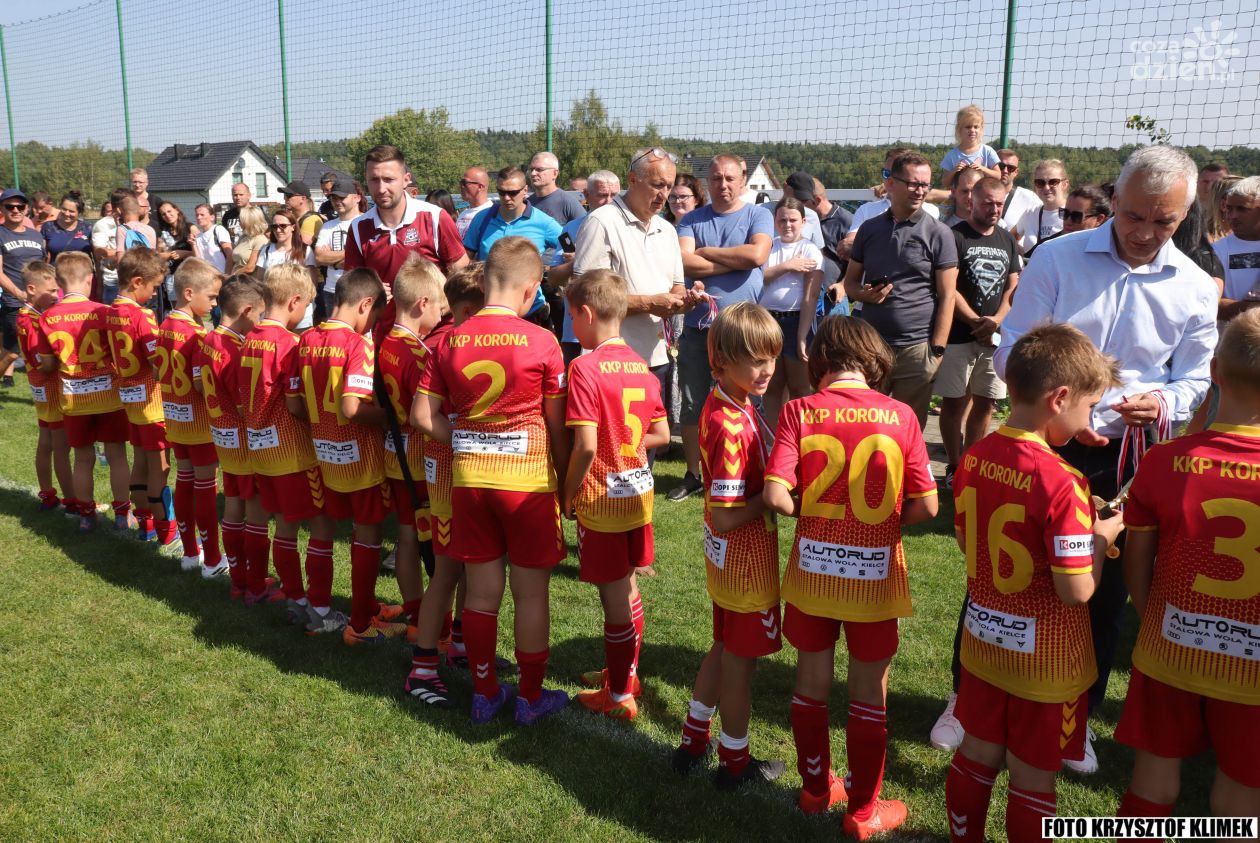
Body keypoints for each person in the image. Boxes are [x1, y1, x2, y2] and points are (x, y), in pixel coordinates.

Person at [990, 144, 1218, 774]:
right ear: (1114, 200)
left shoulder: (1195, 286)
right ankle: (971, 696)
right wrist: (1060, 404)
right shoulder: (1056, 257)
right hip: (1044, 443)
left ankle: (1077, 719)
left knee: (1104, 592)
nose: (1144, 232)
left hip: (1126, 456)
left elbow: (1196, 377)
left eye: (1163, 221)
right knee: (1004, 569)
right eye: (1134, 215)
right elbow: (1011, 349)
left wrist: (1163, 402)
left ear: (1186, 215)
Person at [945, 323, 1123, 843]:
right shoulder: (1065, 481)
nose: (1089, 421)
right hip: (1046, 660)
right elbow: (1076, 590)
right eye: (1089, 407)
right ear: (1059, 399)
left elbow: (967, 542)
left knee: (976, 753)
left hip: (984, 640)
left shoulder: (974, 455)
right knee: (1032, 773)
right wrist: (1099, 538)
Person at [763, 315, 938, 835]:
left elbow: (776, 495)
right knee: (868, 692)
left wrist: (812, 512)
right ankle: (863, 811)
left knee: (810, 681)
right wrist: (880, 522)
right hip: (875, 574)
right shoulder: (902, 415)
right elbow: (928, 506)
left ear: (820, 362)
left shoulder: (798, 410)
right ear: (874, 361)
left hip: (813, 570)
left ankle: (816, 789)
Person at [412, 236, 569, 726]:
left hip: (470, 482)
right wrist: (566, 484)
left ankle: (483, 693)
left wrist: (466, 439)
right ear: (531, 288)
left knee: (480, 594)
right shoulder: (542, 341)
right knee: (531, 594)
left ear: (484, 282)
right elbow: (557, 426)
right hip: (529, 485)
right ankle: (529, 697)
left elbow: (422, 416)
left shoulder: (449, 339)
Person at [1115, 308, 1260, 827]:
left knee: (1151, 781)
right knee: (1240, 797)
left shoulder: (1164, 459)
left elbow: (1137, 564)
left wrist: (1153, 617)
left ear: (1214, 371)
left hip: (1170, 647)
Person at [672, 302, 785, 789]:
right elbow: (725, 513)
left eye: (771, 357)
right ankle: (735, 762)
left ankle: (693, 739)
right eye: (755, 361)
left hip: (727, 559)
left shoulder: (729, 402)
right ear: (721, 362)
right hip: (744, 564)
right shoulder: (730, 423)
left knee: (722, 648)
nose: (767, 370)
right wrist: (772, 497)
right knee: (740, 664)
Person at [563, 270, 669, 722]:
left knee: (614, 601)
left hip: (602, 498)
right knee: (627, 586)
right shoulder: (642, 367)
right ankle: (627, 674)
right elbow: (661, 433)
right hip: (638, 493)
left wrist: (567, 495)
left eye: (572, 317)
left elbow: (586, 446)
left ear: (587, 314)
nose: (573, 326)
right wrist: (627, 443)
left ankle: (620, 695)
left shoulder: (584, 368)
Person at [288, 267, 407, 642]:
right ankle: (360, 624)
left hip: (324, 454)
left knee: (323, 529)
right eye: (375, 317)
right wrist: (390, 418)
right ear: (366, 304)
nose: (373, 325)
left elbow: (295, 405)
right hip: (362, 459)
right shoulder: (358, 345)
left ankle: (323, 606)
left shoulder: (306, 340)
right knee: (367, 534)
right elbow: (352, 407)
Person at [668, 154, 772, 502]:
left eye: (729, 178)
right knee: (693, 402)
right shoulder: (691, 219)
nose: (723, 185)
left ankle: (749, 471)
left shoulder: (758, 214)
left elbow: (756, 256)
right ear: (707, 182)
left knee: (748, 400)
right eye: (716, 178)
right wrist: (735, 260)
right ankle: (695, 474)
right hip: (700, 328)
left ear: (742, 179)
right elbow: (684, 261)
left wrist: (709, 252)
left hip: (744, 332)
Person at [406, 262, 486, 706]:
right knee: (451, 570)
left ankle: (458, 644)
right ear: (470, 309)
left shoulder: (445, 341)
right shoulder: (450, 344)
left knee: (465, 566)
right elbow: (422, 416)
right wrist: (468, 438)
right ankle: (422, 666)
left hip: (455, 472)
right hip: (454, 472)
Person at [237, 262, 335, 623]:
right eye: (306, 305)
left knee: (284, 526)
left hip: (260, 450)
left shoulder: (249, 338)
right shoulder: (290, 344)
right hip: (293, 454)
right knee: (322, 524)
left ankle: (294, 597)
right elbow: (295, 405)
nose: (306, 312)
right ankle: (319, 608)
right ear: (294, 301)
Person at [839, 151, 959, 429]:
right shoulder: (869, 229)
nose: (920, 191)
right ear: (891, 183)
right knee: (867, 427)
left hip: (916, 350)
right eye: (913, 183)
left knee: (907, 431)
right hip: (871, 347)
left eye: (925, 184)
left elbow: (948, 296)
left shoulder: (939, 233)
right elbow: (850, 284)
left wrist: (936, 352)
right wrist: (864, 294)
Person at [377, 257, 445, 686]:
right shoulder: (419, 353)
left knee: (405, 537)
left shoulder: (385, 341)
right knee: (431, 544)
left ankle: (418, 614)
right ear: (422, 303)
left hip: (394, 452)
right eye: (439, 306)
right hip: (420, 459)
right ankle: (437, 623)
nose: (441, 314)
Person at [572, 150, 692, 393]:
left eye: (669, 186)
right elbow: (585, 296)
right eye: (657, 184)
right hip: (612, 362)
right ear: (633, 180)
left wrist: (686, 301)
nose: (664, 194)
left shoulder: (667, 230)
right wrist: (650, 304)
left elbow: (676, 286)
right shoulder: (601, 222)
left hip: (657, 357)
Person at [938, 177, 1021, 489]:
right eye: (988, 203)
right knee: (954, 402)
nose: (995, 209)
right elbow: (949, 287)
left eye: (999, 204)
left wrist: (996, 320)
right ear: (971, 200)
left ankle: (971, 464)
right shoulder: (954, 236)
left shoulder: (1006, 239)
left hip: (994, 338)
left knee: (986, 402)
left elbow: (1013, 285)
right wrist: (976, 322)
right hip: (959, 335)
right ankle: (953, 463)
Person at [40, 251, 131, 532]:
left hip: (74, 398)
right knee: (117, 455)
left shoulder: (47, 317)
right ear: (91, 279)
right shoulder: (103, 312)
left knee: (82, 458)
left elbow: (47, 364)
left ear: (58, 283)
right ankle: (122, 515)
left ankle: (86, 516)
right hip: (109, 396)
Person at [344, 144, 468, 333]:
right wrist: (370, 291)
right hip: (386, 336)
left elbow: (463, 273)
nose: (381, 188)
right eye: (374, 180)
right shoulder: (358, 228)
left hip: (436, 334)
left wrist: (442, 306)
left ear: (406, 179)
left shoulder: (434, 217)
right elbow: (353, 286)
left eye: (389, 179)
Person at [193, 275, 265, 599]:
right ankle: (256, 585)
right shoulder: (236, 350)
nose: (261, 321)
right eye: (260, 314)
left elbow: (199, 385)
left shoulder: (207, 339)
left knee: (233, 506)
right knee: (256, 513)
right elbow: (244, 404)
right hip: (244, 442)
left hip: (222, 437)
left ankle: (238, 581)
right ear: (247, 311)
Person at [157, 257, 224, 576]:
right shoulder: (197, 336)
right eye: (211, 297)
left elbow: (157, 370)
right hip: (199, 424)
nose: (215, 303)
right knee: (206, 487)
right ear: (188, 293)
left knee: (184, 480)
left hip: (174, 418)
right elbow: (200, 385)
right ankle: (212, 560)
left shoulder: (164, 326)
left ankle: (189, 553)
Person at [107, 247, 173, 544]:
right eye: (154, 287)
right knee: (160, 466)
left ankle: (145, 523)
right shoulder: (142, 316)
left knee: (140, 461)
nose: (155, 293)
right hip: (152, 403)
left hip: (130, 401)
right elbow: (157, 363)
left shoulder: (110, 312)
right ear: (137, 282)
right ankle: (166, 529)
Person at [16, 261, 74, 513]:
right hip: (49, 389)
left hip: (41, 389)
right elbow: (43, 363)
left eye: (57, 290)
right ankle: (73, 502)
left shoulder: (32, 315)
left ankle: (48, 495)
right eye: (50, 291)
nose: (56, 295)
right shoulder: (30, 321)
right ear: (31, 289)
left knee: (47, 442)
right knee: (60, 446)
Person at [760, 196, 823, 428]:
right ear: (775, 222)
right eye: (782, 220)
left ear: (803, 222)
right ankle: (773, 438)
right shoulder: (768, 246)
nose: (787, 225)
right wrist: (787, 266)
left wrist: (802, 336)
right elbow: (756, 278)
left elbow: (810, 296)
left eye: (793, 220)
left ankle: (801, 436)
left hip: (797, 320)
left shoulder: (810, 249)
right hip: (767, 321)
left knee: (799, 387)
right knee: (772, 385)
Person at [843, 148, 943, 255]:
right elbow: (847, 246)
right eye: (886, 173)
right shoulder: (866, 209)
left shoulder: (931, 211)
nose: (889, 180)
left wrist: (867, 244)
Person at [464, 166, 563, 261]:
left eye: (512, 193)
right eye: (501, 192)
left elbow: (570, 249)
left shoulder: (544, 222)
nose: (506, 198)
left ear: (525, 190)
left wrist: (552, 268)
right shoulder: (481, 218)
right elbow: (466, 260)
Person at [0, 188, 47, 389]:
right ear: (2, 209)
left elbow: (44, 268)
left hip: (41, 303)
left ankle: (48, 389)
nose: (15, 210)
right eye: (10, 206)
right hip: (14, 302)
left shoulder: (35, 235)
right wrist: (19, 294)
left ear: (26, 209)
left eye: (20, 206)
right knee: (12, 352)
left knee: (44, 347)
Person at [244, 208, 318, 329]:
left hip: (299, 312)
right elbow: (258, 281)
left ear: (293, 227)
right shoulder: (267, 250)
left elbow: (312, 282)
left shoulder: (304, 250)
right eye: (274, 226)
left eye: (283, 226)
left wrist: (306, 302)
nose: (278, 230)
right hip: (273, 312)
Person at [1213, 176, 1260, 321]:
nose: (1232, 216)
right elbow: (1207, 304)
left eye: (1242, 209)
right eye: (1229, 208)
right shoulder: (1215, 252)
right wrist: (1251, 308)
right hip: (1233, 334)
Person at [313, 178, 361, 316]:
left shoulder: (365, 223)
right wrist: (351, 254)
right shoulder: (328, 226)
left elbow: (366, 257)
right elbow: (319, 257)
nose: (337, 201)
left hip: (359, 289)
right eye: (334, 198)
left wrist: (331, 259)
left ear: (356, 198)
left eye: (342, 197)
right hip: (332, 290)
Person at [1011, 159, 1070, 254]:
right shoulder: (1030, 213)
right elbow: (1010, 238)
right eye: (1040, 183)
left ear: (1065, 184)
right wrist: (1023, 254)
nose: (1046, 187)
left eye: (1053, 182)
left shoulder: (1074, 215)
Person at [941, 105, 1001, 189]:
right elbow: (945, 183)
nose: (972, 130)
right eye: (968, 127)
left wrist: (983, 169)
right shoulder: (952, 155)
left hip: (982, 195)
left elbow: (998, 176)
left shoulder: (987, 151)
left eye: (976, 127)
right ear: (959, 129)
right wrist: (954, 170)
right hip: (960, 196)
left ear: (981, 129)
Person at [154, 202, 196, 321]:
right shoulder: (162, 232)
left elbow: (201, 253)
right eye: (163, 214)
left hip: (189, 274)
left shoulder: (190, 228)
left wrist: (184, 254)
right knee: (178, 311)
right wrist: (168, 255)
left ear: (177, 210)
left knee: (192, 309)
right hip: (171, 276)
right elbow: (157, 255)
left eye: (169, 211)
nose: (167, 215)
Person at [527, 151, 587, 226]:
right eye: (531, 169)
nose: (533, 173)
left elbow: (584, 229)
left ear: (554, 173)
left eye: (539, 169)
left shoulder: (568, 203)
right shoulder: (526, 204)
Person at [996, 149, 1043, 232]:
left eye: (1010, 168)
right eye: (1001, 166)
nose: (1005, 171)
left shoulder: (1030, 198)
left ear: (1016, 172)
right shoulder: (978, 194)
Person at [93, 190, 127, 304]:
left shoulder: (132, 222)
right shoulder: (102, 224)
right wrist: (127, 251)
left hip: (132, 280)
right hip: (113, 281)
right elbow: (99, 253)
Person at [40, 192, 92, 265]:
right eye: (64, 209)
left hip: (83, 271)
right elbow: (42, 255)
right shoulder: (48, 227)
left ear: (79, 212)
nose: (67, 214)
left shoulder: (88, 228)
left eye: (71, 211)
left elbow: (96, 257)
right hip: (56, 271)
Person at [192, 204, 233, 273]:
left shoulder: (218, 230)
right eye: (197, 215)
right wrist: (193, 244)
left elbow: (230, 254)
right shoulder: (198, 236)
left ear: (212, 217)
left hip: (221, 274)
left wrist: (227, 275)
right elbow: (199, 260)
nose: (199, 217)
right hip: (207, 276)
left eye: (202, 215)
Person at [281, 181, 323, 247]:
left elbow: (301, 247)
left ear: (303, 198)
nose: (285, 198)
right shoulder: (294, 218)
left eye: (288, 196)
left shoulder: (311, 219)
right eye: (284, 195)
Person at [455, 166, 493, 237]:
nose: (461, 186)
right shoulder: (463, 214)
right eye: (460, 183)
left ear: (480, 187)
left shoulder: (491, 214)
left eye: (464, 183)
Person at [232, 206, 269, 274]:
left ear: (248, 222)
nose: (239, 223)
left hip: (247, 278)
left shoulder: (260, 240)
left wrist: (233, 275)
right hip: (237, 276)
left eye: (240, 220)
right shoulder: (243, 237)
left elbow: (251, 267)